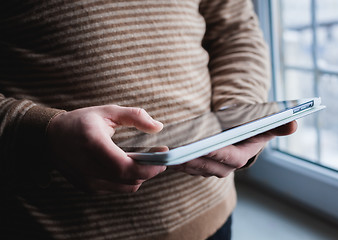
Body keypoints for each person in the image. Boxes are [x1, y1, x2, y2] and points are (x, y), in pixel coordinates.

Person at [0, 0, 297, 239]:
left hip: (211, 216)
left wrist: (239, 112)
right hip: (54, 225)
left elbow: (234, 29)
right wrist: (41, 130)